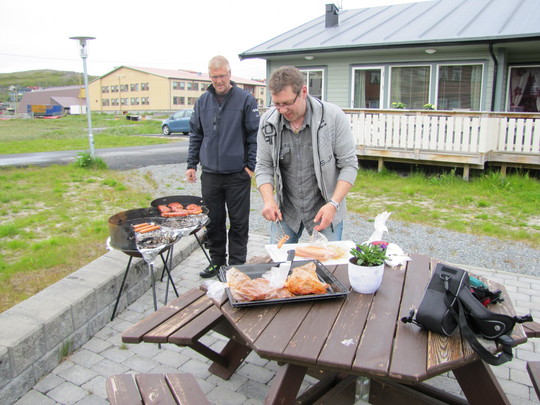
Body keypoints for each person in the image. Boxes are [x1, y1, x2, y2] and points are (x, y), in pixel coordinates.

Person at [256, 66, 358, 244]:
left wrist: (334, 204)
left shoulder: (332, 117)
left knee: (326, 267)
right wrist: (268, 200)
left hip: (325, 208)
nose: (282, 110)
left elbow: (349, 165)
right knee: (278, 264)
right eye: (277, 104)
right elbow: (263, 165)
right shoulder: (268, 122)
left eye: (287, 103)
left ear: (303, 91)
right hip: (287, 211)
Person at [186, 56, 260, 278]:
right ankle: (217, 262)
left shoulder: (245, 100)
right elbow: (196, 134)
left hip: (237, 174)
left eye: (222, 76)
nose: (219, 80)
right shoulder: (202, 102)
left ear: (229, 74)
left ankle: (237, 266)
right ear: (210, 76)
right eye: (214, 76)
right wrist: (192, 164)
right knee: (213, 221)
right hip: (210, 175)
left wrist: (250, 166)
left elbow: (254, 135)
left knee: (238, 223)